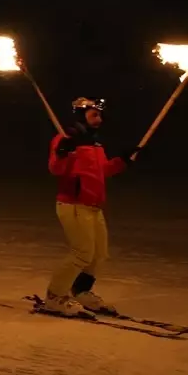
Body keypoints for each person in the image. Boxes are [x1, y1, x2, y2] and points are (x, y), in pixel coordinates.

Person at [41, 98, 138, 317]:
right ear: (81, 115)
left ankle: (81, 291)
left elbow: (103, 171)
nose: (99, 120)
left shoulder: (95, 145)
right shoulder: (65, 139)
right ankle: (54, 297)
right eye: (94, 115)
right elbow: (56, 169)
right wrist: (63, 152)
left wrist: (123, 160)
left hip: (93, 206)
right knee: (82, 254)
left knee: (99, 255)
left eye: (100, 115)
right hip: (73, 204)